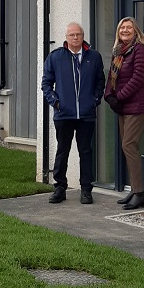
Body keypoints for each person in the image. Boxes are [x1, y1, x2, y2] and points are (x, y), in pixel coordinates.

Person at [41, 22, 105, 204]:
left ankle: (86, 189)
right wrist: (55, 102)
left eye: (78, 34)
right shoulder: (56, 57)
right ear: (66, 37)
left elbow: (100, 81)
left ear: (83, 36)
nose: (75, 38)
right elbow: (46, 84)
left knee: (86, 151)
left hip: (86, 114)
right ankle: (59, 188)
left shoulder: (94, 57)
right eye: (72, 35)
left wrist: (95, 100)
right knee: (62, 150)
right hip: (64, 114)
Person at [103, 16, 144, 210]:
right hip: (123, 106)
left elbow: (138, 77)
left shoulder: (141, 49)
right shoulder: (119, 51)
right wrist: (109, 96)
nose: (124, 30)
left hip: (137, 106)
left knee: (129, 145)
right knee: (128, 148)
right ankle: (134, 190)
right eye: (122, 28)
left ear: (135, 30)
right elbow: (111, 76)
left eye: (128, 28)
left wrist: (119, 97)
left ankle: (140, 193)